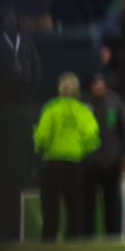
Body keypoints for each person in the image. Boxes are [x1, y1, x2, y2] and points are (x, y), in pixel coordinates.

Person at [33, 73, 100, 241]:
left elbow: (41, 137)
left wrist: (42, 149)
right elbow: (93, 138)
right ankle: (73, 239)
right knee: (74, 206)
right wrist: (80, 150)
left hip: (52, 163)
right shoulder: (83, 110)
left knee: (50, 206)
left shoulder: (51, 108)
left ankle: (49, 238)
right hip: (74, 164)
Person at [82, 74, 125, 237]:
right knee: (87, 203)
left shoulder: (115, 102)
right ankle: (88, 235)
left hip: (111, 161)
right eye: (95, 85)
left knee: (111, 203)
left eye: (101, 84)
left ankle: (113, 235)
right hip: (89, 162)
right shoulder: (85, 103)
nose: (98, 87)